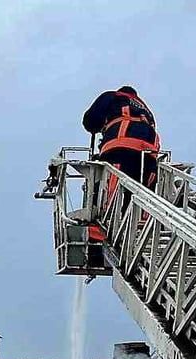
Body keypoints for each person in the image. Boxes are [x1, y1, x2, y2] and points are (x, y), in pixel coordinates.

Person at [81, 86, 161, 242]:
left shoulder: (113, 97)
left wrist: (98, 128)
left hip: (120, 148)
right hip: (149, 157)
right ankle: (141, 229)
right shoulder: (146, 111)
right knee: (138, 193)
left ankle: (100, 229)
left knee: (106, 187)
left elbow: (90, 120)